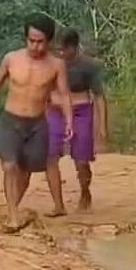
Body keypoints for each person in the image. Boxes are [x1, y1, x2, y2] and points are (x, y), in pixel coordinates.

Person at [0, 14, 73, 231]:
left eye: (40, 41)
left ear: (48, 41)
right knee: (9, 165)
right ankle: (14, 217)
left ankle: (13, 207)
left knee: (26, 170)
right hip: (10, 120)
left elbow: (64, 94)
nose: (35, 45)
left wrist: (69, 122)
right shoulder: (11, 59)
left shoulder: (56, 65)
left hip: (37, 124)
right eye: (31, 40)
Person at [45, 28, 107, 215]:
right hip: (55, 111)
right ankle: (58, 204)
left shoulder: (88, 66)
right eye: (58, 50)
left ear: (74, 47)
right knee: (50, 155)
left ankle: (85, 191)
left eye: (65, 49)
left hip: (81, 110)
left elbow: (99, 96)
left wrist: (102, 126)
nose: (62, 53)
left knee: (81, 159)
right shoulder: (51, 64)